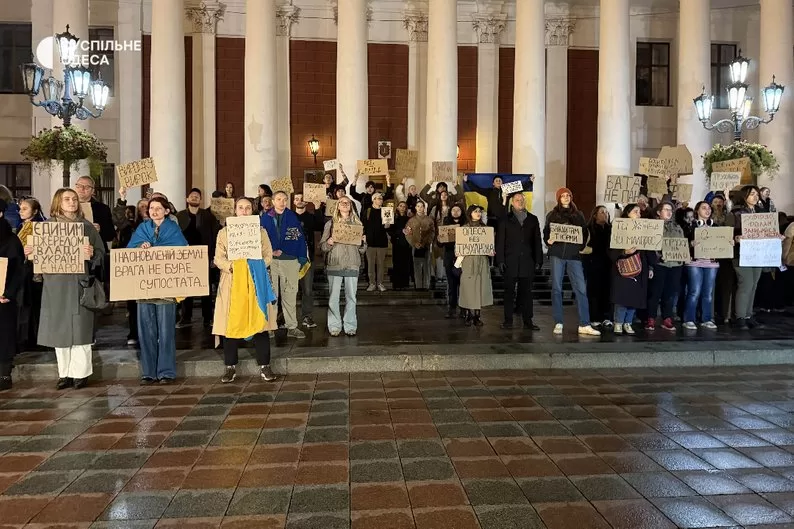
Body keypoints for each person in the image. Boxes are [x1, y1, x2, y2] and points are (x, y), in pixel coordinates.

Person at [25, 188, 105, 390]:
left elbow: (101, 255)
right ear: (58, 203)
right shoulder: (46, 228)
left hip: (80, 284)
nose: (72, 202)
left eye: (74, 199)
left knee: (80, 331)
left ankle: (81, 374)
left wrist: (92, 253)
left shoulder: (86, 227)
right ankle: (65, 374)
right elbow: (37, 260)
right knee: (59, 330)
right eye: (67, 199)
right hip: (55, 286)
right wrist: (30, 253)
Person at [213, 197, 279, 383]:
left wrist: (255, 266)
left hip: (255, 281)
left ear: (252, 210)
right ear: (235, 210)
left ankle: (265, 365)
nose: (244, 211)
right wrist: (232, 266)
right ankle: (230, 366)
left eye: (247, 208)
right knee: (231, 323)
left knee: (260, 322)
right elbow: (218, 258)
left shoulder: (260, 231)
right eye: (240, 207)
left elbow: (268, 255)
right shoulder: (224, 232)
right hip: (232, 281)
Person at [127, 197, 187, 384]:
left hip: (166, 289)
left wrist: (156, 248)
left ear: (166, 211)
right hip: (145, 288)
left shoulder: (173, 229)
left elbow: (182, 249)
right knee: (146, 332)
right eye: (151, 208)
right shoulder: (142, 228)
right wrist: (140, 247)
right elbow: (129, 250)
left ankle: (166, 372)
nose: (154, 211)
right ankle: (148, 372)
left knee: (166, 332)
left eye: (158, 208)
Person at [543, 188, 600, 336]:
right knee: (557, 288)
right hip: (557, 254)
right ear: (558, 199)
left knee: (581, 289)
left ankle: (584, 323)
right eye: (563, 196)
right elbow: (546, 232)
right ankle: (558, 322)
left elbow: (584, 232)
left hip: (574, 255)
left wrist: (580, 247)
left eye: (568, 195)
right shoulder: (552, 215)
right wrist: (548, 241)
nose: (566, 197)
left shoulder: (578, 215)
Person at [260, 190, 309, 339]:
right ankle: (270, 326)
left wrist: (301, 257)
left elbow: (299, 237)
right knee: (271, 295)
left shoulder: (292, 216)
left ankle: (292, 326)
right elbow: (261, 239)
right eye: (279, 199)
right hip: (271, 261)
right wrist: (271, 251)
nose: (282, 202)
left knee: (290, 294)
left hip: (290, 260)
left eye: (284, 199)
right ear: (273, 201)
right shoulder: (265, 218)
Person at [727, 185, 775, 330]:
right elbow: (727, 232)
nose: (755, 196)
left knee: (753, 285)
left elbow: (768, 229)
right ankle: (740, 317)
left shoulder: (761, 212)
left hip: (757, 252)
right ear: (744, 195)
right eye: (752, 194)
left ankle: (748, 315)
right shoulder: (736, 213)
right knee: (746, 284)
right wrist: (735, 238)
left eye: (757, 194)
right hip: (741, 253)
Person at [320, 195, 367, 336]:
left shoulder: (357, 224)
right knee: (333, 298)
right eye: (342, 202)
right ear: (337, 206)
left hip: (352, 264)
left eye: (348, 202)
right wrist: (328, 243)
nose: (345, 204)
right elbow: (322, 247)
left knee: (351, 297)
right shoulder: (330, 224)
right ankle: (334, 325)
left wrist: (363, 242)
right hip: (335, 264)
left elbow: (362, 250)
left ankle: (350, 325)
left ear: (351, 206)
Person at [497, 192, 543, 330]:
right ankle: (508, 320)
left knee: (527, 293)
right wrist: (500, 260)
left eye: (522, 200)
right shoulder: (505, 219)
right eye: (517, 200)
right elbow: (500, 241)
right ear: (512, 202)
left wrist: (538, 259)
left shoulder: (532, 219)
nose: (520, 202)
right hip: (510, 261)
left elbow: (537, 241)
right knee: (509, 293)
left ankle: (528, 321)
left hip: (527, 261)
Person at [176, 188, 220, 329]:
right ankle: (185, 317)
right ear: (187, 199)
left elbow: (215, 237)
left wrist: (214, 257)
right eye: (192, 196)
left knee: (206, 288)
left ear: (200, 200)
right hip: (185, 258)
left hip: (205, 257)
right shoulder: (179, 216)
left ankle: (208, 318)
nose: (194, 198)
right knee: (186, 288)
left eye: (197, 196)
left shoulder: (208, 216)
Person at [610, 204, 655, 334]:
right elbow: (611, 250)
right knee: (622, 297)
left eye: (640, 212)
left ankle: (628, 323)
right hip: (623, 268)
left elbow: (649, 250)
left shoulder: (644, 230)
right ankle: (618, 322)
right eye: (635, 212)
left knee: (635, 297)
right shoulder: (619, 228)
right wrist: (624, 251)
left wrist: (651, 267)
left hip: (640, 268)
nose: (639, 214)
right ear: (627, 213)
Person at [644, 202, 686, 332]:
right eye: (666, 209)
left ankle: (667, 318)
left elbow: (681, 245)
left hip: (675, 265)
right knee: (655, 293)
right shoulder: (653, 227)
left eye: (671, 210)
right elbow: (649, 247)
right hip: (659, 264)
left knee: (670, 293)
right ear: (658, 212)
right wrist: (653, 263)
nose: (669, 212)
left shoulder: (677, 227)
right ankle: (650, 318)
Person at [682, 201, 722, 330]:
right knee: (694, 291)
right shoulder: (690, 226)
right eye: (704, 208)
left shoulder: (716, 227)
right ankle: (689, 319)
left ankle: (707, 318)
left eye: (709, 208)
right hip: (695, 262)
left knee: (708, 293)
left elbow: (722, 243)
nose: (707, 210)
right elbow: (682, 243)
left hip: (711, 263)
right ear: (697, 211)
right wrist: (690, 244)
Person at [0, 199, 24, 390]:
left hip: (4, 297)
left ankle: (4, 373)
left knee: (4, 334)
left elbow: (18, 270)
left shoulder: (10, 240)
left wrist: (8, 292)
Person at [16, 198, 46, 350]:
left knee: (35, 304)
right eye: (20, 208)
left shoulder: (40, 227)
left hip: (36, 271)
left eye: (25, 209)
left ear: (34, 211)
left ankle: (36, 339)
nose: (20, 211)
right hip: (24, 269)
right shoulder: (21, 226)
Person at [458, 205, 494, 327]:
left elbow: (489, 245)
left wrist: (490, 251)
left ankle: (477, 315)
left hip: (481, 261)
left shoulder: (485, 229)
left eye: (479, 211)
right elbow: (459, 245)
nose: (478, 213)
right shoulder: (464, 229)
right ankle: (469, 314)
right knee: (468, 287)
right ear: (470, 213)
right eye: (475, 211)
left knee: (480, 287)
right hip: (468, 261)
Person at [293, 192, 323, 328]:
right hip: (290, 259)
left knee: (307, 290)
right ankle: (285, 318)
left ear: (306, 202)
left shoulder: (311, 217)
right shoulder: (289, 216)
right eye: (296, 199)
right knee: (288, 290)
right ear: (294, 202)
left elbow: (320, 225)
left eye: (302, 199)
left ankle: (307, 317)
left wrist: (317, 208)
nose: (299, 201)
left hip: (307, 258)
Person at [583, 205, 613, 328]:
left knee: (607, 291)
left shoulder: (611, 229)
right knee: (594, 291)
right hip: (593, 264)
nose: (605, 214)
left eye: (606, 212)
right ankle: (594, 317)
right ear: (595, 215)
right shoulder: (589, 229)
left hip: (608, 264)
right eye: (602, 212)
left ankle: (606, 317)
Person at [439, 204, 464, 318]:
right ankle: (452, 308)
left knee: (462, 284)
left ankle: (463, 308)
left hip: (462, 257)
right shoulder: (446, 223)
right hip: (450, 257)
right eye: (453, 210)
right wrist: (439, 239)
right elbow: (440, 244)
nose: (455, 212)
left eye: (458, 210)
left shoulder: (466, 224)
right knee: (451, 284)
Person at [363, 192, 391, 292]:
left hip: (382, 242)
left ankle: (380, 283)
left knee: (381, 264)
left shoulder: (386, 211)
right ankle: (372, 283)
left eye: (381, 198)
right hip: (370, 242)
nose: (381, 200)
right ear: (373, 200)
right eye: (378, 198)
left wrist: (388, 226)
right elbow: (363, 225)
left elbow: (388, 227)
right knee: (370, 264)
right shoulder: (368, 211)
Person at [405, 201, 435, 290]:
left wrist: (427, 242)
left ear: (424, 208)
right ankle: (418, 286)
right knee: (416, 266)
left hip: (426, 245)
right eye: (418, 206)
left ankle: (426, 285)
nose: (420, 208)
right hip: (415, 246)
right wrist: (414, 243)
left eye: (422, 206)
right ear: (415, 208)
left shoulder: (429, 220)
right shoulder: (411, 221)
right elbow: (408, 233)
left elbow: (432, 232)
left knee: (427, 265)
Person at [388, 201, 413, 290]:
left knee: (406, 264)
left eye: (404, 206)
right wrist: (400, 231)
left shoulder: (409, 219)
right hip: (397, 244)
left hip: (407, 244)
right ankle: (397, 284)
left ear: (406, 208)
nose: (402, 208)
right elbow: (390, 231)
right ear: (397, 207)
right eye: (400, 206)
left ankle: (405, 284)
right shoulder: (393, 219)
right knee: (397, 263)